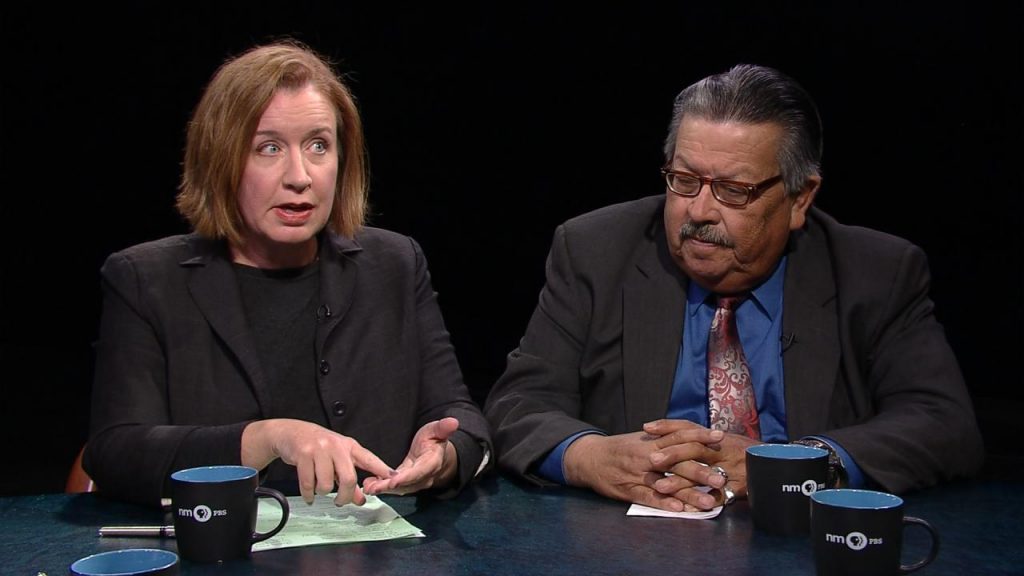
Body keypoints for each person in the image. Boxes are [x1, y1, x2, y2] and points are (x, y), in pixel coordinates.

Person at [484, 64, 983, 513]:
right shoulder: (595, 250)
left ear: (799, 198)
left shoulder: (875, 272)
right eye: (684, 180)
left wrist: (798, 464)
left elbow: (943, 424)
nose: (699, 211)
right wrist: (591, 457)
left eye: (733, 190)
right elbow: (518, 403)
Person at [84, 40, 492, 507]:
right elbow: (116, 453)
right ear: (220, 160)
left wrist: (444, 457)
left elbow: (460, 415)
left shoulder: (395, 263)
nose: (299, 175)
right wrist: (265, 439)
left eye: (319, 145)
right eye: (269, 148)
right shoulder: (145, 279)